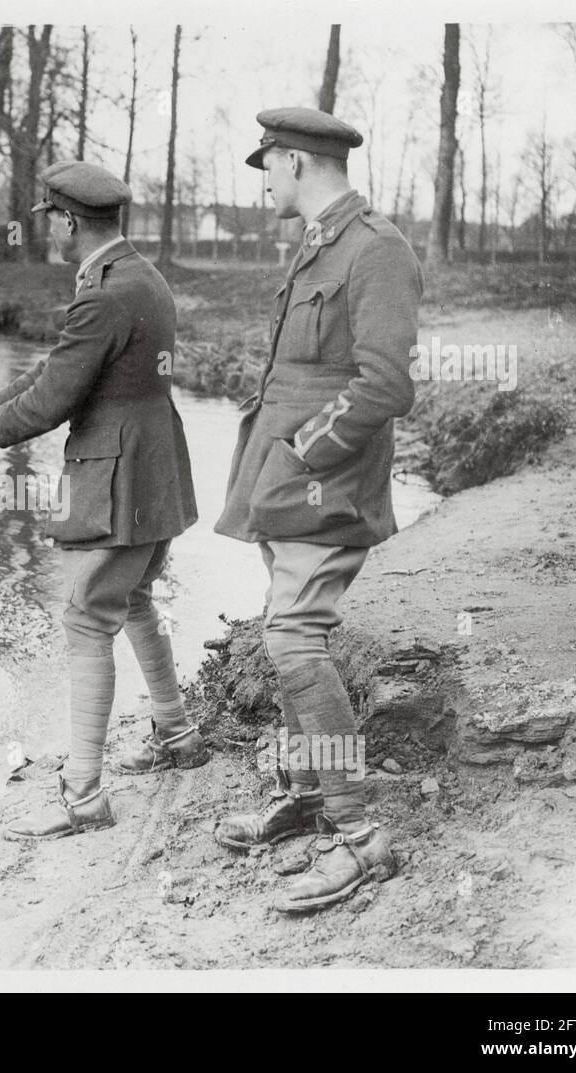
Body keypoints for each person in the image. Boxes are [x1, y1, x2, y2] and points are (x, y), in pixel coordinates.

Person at [0, 160, 202, 842]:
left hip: (118, 476)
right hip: (157, 471)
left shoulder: (104, 295)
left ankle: (84, 795)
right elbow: (56, 367)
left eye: (49, 219)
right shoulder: (140, 278)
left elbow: (57, 394)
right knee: (135, 596)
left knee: (88, 617)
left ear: (68, 221)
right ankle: (177, 731)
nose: (45, 229)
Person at [212, 108, 422, 911]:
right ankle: (304, 793)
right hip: (283, 477)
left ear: (296, 161)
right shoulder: (320, 241)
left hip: (322, 480)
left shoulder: (376, 249)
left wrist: (302, 452)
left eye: (268, 163)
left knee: (294, 635)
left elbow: (385, 385)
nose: (264, 178)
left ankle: (358, 831)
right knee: (288, 624)